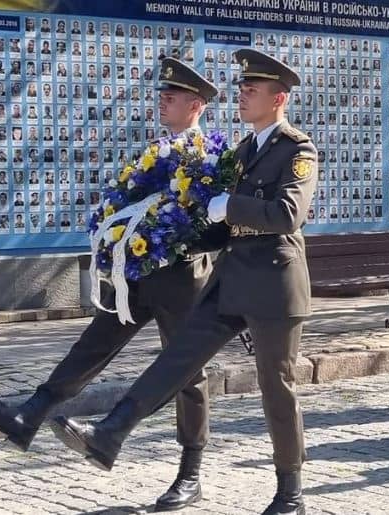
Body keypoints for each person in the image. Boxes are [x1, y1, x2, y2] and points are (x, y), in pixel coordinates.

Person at [49, 48, 317, 515]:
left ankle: (289, 491)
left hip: (275, 282)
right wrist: (155, 243)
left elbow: (287, 214)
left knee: (277, 386)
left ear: (278, 98)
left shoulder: (297, 149)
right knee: (177, 359)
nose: (241, 95)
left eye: (251, 90)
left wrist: (229, 207)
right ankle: (110, 434)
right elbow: (215, 229)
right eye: (241, 88)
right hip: (232, 279)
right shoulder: (243, 152)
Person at [0, 58, 226, 512]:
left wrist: (174, 233)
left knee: (188, 375)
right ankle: (27, 415)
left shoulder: (211, 156)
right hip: (135, 271)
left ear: (196, 105)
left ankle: (190, 474)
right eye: (162, 93)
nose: (162, 100)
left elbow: (211, 220)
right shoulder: (156, 151)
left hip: (181, 278)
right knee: (93, 344)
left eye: (171, 96)